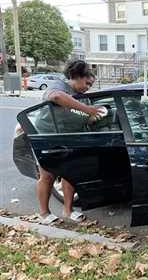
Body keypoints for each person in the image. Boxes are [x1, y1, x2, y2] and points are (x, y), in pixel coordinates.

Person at [37, 60, 102, 225]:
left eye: (91, 85)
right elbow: (56, 97)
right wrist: (88, 110)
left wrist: (93, 118)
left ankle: (68, 210)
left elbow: (84, 118)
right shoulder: (59, 86)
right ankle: (44, 214)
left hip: (69, 137)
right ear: (76, 76)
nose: (88, 87)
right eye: (87, 83)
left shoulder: (82, 97)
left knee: (70, 174)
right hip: (48, 136)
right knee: (48, 175)